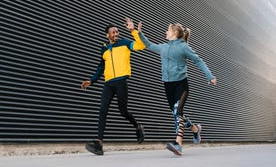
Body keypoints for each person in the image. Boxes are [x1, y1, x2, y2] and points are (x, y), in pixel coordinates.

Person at [135, 20, 217, 156]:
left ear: (174, 33)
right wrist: (138, 33)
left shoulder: (183, 47)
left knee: (177, 112)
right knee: (176, 113)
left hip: (181, 85)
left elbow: (198, 60)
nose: (165, 32)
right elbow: (148, 44)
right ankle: (195, 128)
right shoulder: (163, 47)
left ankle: (178, 144)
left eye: (167, 30)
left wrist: (209, 76)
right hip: (168, 86)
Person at [81, 18, 146, 155]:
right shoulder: (104, 48)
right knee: (102, 110)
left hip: (121, 82)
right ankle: (99, 143)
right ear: (107, 35)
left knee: (123, 112)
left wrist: (133, 31)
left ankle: (137, 127)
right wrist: (92, 80)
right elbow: (101, 66)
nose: (116, 34)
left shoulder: (125, 43)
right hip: (108, 83)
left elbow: (141, 46)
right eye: (113, 32)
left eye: (117, 31)